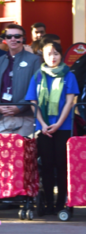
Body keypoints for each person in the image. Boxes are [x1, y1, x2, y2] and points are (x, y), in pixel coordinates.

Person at [25, 37, 79, 216]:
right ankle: (48, 203)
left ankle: (61, 203)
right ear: (43, 56)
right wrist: (43, 123)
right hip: (43, 128)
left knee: (62, 166)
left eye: (56, 53)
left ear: (61, 55)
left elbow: (70, 102)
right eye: (49, 54)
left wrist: (58, 124)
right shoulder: (38, 75)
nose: (53, 57)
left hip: (63, 128)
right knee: (46, 165)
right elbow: (33, 102)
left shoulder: (69, 75)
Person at [0, 24, 41, 138]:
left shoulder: (34, 60)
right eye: (9, 36)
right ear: (5, 39)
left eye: (17, 36)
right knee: (3, 154)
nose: (13, 39)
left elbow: (37, 88)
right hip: (1, 116)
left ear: (23, 39)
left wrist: (20, 107)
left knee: (23, 154)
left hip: (25, 116)